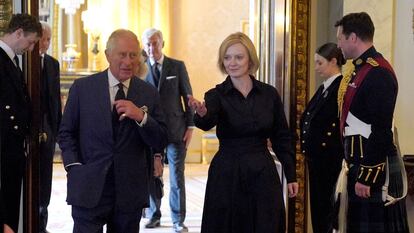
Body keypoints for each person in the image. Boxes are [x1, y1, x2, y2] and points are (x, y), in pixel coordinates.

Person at [58, 29, 168, 233]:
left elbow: (161, 137)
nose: (128, 61)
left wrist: (141, 117)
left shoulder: (148, 93)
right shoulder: (83, 88)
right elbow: (66, 133)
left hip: (129, 192)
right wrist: (74, 166)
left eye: (133, 55)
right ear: (108, 55)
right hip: (89, 186)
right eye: (122, 54)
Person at [188, 32, 299, 233]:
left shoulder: (269, 93)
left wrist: (291, 174)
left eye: (238, 57)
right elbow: (206, 120)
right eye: (227, 57)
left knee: (266, 224)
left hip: (262, 172)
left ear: (250, 59)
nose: (232, 63)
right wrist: (202, 113)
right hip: (228, 173)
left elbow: (282, 136)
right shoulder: (215, 95)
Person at [334, 12, 409, 233]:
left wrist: (367, 176)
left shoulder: (378, 73)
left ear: (353, 38)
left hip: (370, 170)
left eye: (340, 38)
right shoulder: (360, 69)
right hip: (356, 163)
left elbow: (381, 130)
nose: (338, 44)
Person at [141, 28, 194, 232]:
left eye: (155, 43)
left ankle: (178, 220)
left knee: (176, 177)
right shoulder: (140, 69)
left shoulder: (177, 66)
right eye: (148, 44)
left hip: (176, 130)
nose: (151, 47)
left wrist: (190, 125)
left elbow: (188, 97)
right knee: (153, 174)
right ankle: (154, 215)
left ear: (162, 43)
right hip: (151, 130)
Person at [0, 13, 42, 233]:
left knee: (10, 212)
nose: (32, 48)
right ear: (18, 33)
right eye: (31, 41)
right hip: (3, 152)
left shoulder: (10, 61)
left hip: (11, 153)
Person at [300, 42, 345, 233]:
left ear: (333, 61)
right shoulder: (325, 88)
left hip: (329, 160)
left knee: (327, 210)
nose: (316, 68)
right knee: (318, 209)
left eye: (320, 63)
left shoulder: (341, 88)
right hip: (318, 159)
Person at [38, 21, 62, 233]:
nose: (45, 43)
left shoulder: (53, 64)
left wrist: (59, 130)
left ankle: (42, 221)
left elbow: (56, 100)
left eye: (48, 39)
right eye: (42, 38)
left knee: (46, 178)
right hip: (31, 128)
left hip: (49, 128)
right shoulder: (24, 61)